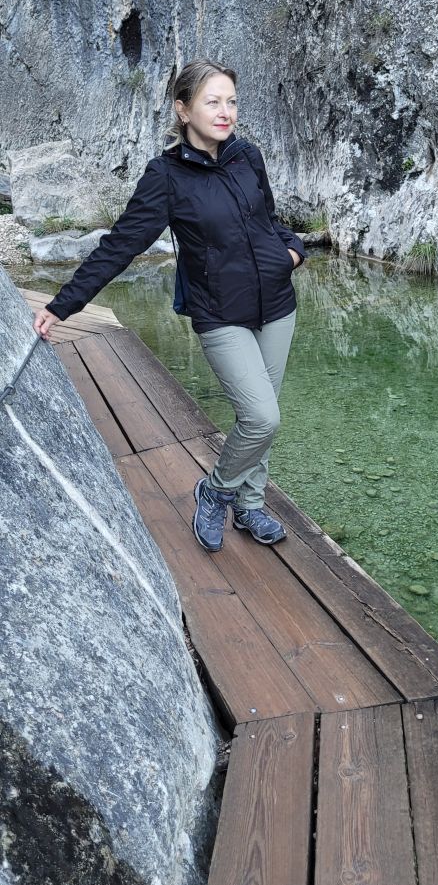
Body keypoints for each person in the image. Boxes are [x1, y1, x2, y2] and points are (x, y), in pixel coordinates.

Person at [34, 58, 306, 552]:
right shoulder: (166, 176)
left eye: (231, 101)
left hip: (277, 305)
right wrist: (62, 305)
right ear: (183, 110)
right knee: (262, 416)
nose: (225, 112)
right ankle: (215, 491)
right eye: (212, 101)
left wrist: (292, 251)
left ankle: (250, 504)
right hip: (220, 314)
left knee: (262, 416)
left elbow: (269, 220)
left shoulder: (248, 156)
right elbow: (120, 245)